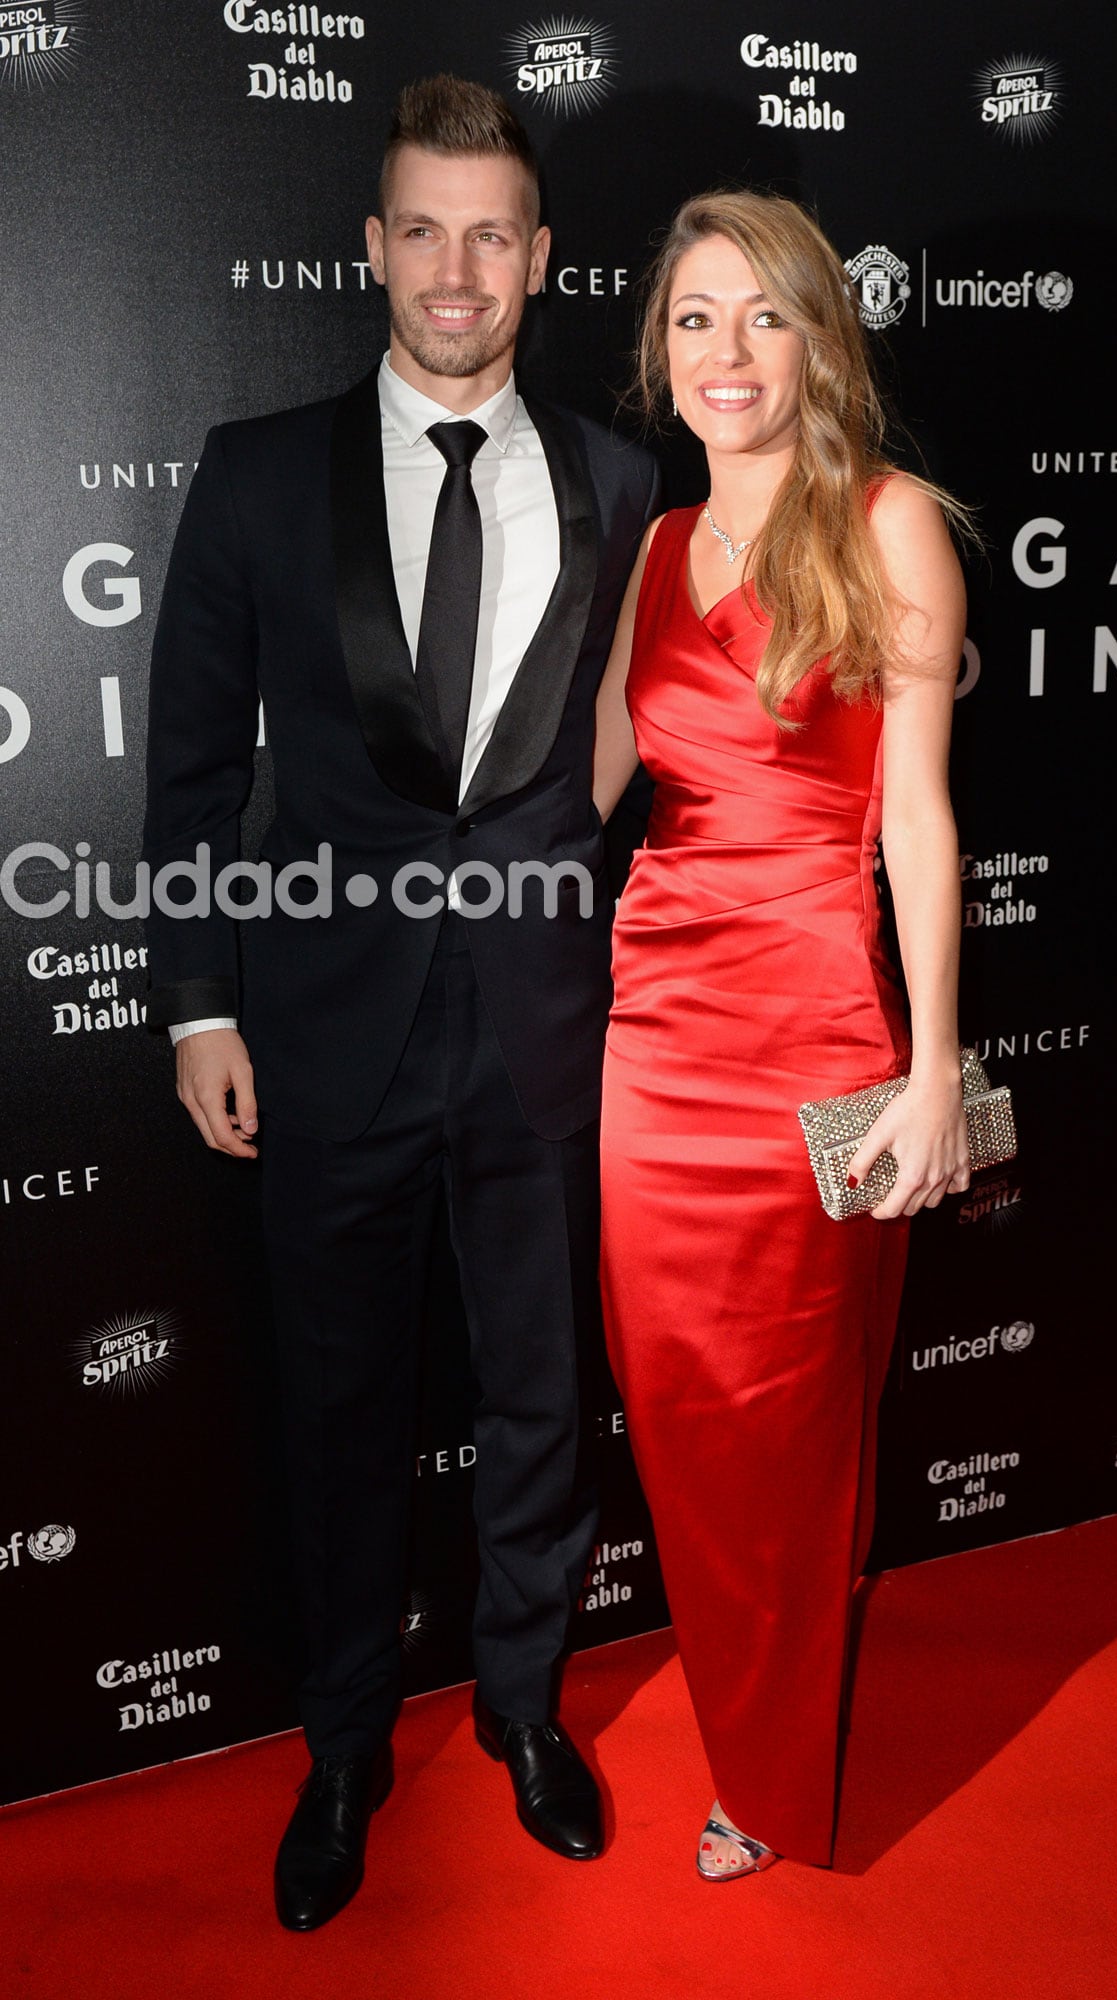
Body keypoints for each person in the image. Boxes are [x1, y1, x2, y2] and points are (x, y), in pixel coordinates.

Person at [142, 75, 659, 1930]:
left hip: (538, 1025)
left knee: (539, 1398)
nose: (457, 269)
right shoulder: (259, 468)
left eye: (491, 233)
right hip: (321, 1034)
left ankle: (522, 1710)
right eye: (422, 230)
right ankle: (346, 1741)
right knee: (342, 1407)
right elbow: (191, 772)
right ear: (372, 248)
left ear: (539, 257)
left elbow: (616, 744)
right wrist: (201, 1003)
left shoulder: (618, 479)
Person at [593, 190, 970, 1880]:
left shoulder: (888, 522)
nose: (726, 353)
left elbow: (918, 824)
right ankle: (748, 1723)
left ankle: (769, 1775)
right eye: (693, 320)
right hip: (650, 1043)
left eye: (763, 316)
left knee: (794, 1418)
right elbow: (576, 798)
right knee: (678, 1411)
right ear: (657, 358)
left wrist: (932, 1072)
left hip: (814, 1033)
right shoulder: (658, 549)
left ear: (821, 337)